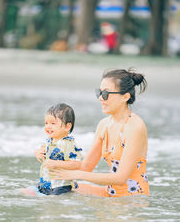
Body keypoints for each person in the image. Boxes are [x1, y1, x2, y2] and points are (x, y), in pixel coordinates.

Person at [48, 69, 149, 198]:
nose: (101, 98)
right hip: (109, 193)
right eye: (99, 93)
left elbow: (120, 178)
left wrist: (76, 175)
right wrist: (50, 160)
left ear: (125, 97)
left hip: (132, 200)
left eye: (106, 93)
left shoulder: (135, 127)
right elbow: (86, 167)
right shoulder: (104, 125)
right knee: (44, 190)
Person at [22, 103, 83, 196]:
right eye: (46, 123)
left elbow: (77, 164)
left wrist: (56, 163)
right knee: (26, 191)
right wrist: (37, 152)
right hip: (47, 182)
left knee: (52, 200)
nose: (48, 126)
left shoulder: (68, 144)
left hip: (61, 185)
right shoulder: (49, 141)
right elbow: (43, 154)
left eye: (53, 123)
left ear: (67, 126)